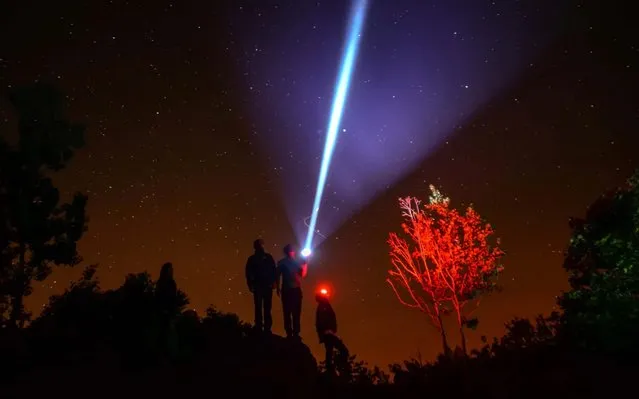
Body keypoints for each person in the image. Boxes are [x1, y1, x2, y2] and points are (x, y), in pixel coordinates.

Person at [276, 244, 308, 339]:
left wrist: (305, 264)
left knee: (294, 312)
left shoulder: (293, 262)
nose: (292, 252)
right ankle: (292, 333)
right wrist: (278, 288)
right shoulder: (283, 263)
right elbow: (278, 275)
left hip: (293, 290)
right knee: (290, 312)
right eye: (291, 250)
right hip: (289, 290)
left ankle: (294, 333)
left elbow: (302, 274)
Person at [245, 239, 277, 333]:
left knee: (264, 307)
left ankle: (264, 327)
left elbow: (273, 270)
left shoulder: (261, 258)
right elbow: (248, 273)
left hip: (264, 285)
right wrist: (250, 284)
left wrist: (273, 282)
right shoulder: (257, 258)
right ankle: (262, 326)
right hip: (261, 285)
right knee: (261, 307)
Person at [315, 287, 349, 374]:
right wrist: (328, 331)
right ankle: (338, 370)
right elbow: (323, 320)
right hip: (328, 334)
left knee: (329, 352)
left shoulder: (324, 306)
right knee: (342, 351)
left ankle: (331, 370)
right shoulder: (323, 306)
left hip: (328, 333)